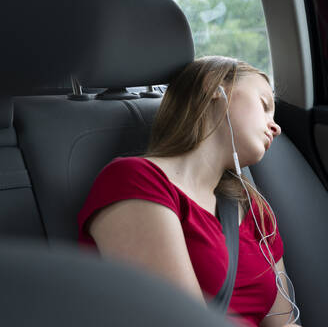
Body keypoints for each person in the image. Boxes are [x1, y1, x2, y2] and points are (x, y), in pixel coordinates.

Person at [77, 56, 301, 327]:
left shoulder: (254, 208)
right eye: (264, 105)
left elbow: (284, 323)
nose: (275, 127)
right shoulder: (135, 180)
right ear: (213, 87)